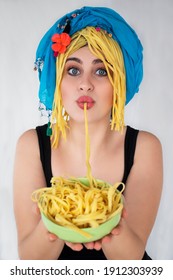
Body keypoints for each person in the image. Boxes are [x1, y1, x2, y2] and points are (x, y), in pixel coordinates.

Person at [13, 6, 163, 260]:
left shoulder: (144, 147)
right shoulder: (32, 144)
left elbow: (130, 258)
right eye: (73, 70)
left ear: (119, 83)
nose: (85, 83)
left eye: (101, 70)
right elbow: (30, 260)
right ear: (57, 81)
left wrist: (108, 224)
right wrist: (62, 220)